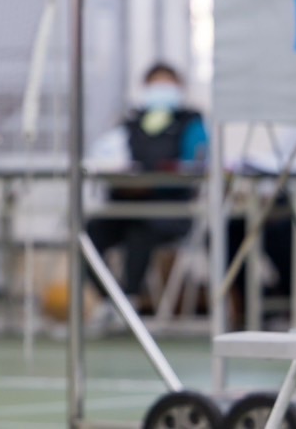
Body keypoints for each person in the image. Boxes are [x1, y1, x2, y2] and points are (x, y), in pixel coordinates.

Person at [85, 62, 208, 306]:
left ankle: (130, 298)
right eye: (156, 83)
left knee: (139, 233)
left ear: (179, 87)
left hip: (169, 210)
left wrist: (153, 186)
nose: (161, 89)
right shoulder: (130, 122)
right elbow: (110, 156)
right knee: (89, 233)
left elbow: (196, 166)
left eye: (167, 83)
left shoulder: (191, 123)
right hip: (125, 205)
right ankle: (110, 300)